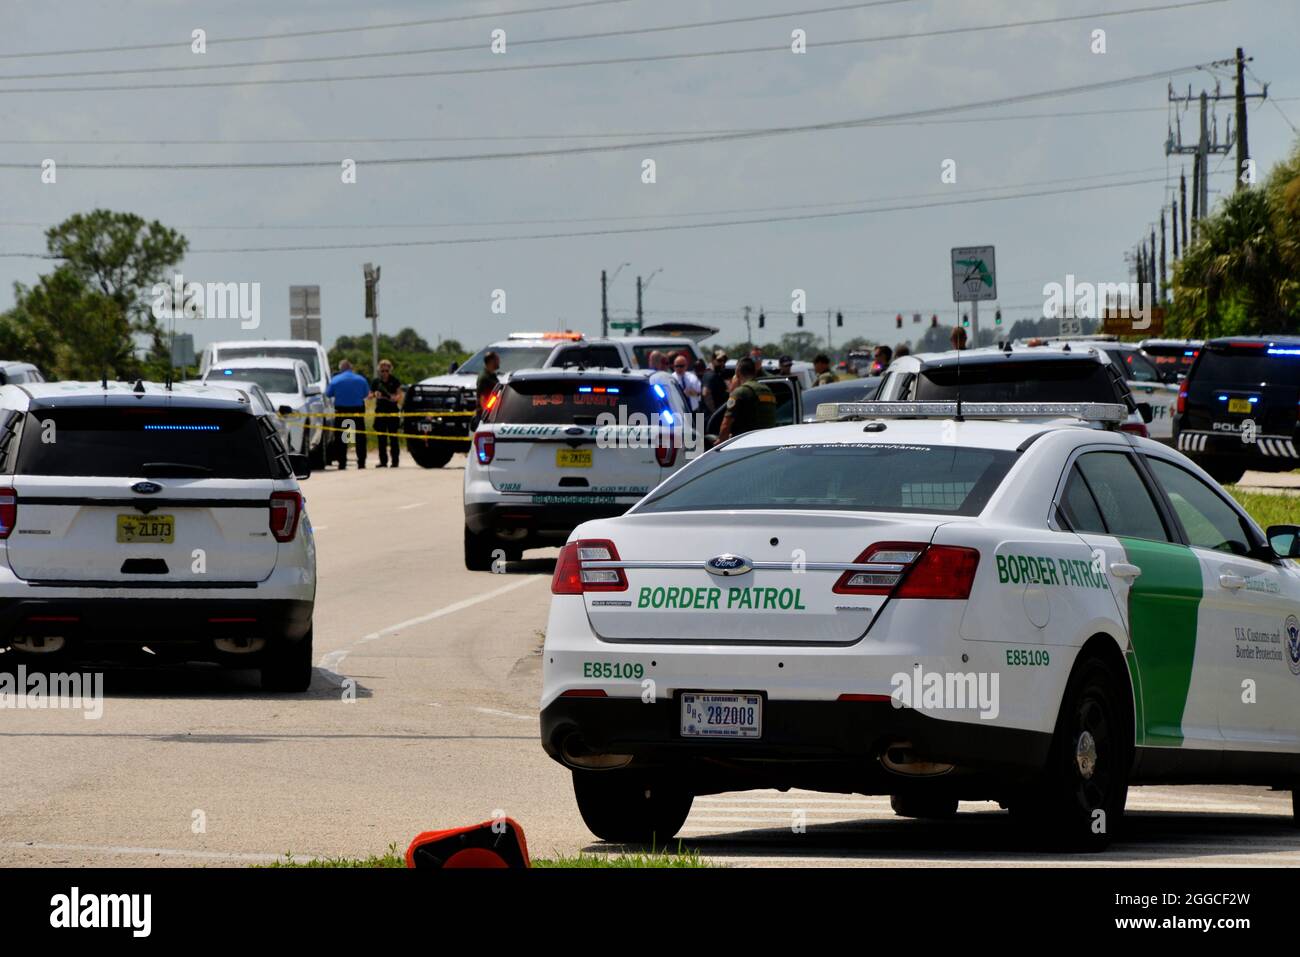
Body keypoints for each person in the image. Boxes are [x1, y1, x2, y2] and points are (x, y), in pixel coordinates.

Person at [326, 359, 371, 470]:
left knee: (343, 438)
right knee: (359, 437)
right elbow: (366, 394)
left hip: (342, 411)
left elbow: (328, 394)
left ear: (341, 369)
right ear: (351, 368)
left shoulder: (335, 380)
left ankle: (342, 463)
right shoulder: (361, 380)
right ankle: (361, 462)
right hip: (357, 411)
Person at [718, 356, 776, 442]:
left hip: (746, 444)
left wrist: (720, 443)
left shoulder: (740, 392)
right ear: (754, 372)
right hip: (767, 443)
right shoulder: (767, 390)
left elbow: (726, 425)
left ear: (737, 372)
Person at [370, 358, 404, 468]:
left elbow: (400, 394)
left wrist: (395, 398)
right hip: (380, 412)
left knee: (393, 438)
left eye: (386, 371)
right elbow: (369, 396)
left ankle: (395, 461)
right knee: (381, 439)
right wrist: (375, 394)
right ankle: (383, 461)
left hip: (392, 412)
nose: (384, 373)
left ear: (390, 371)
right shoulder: (376, 382)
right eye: (382, 371)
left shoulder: (395, 380)